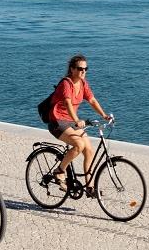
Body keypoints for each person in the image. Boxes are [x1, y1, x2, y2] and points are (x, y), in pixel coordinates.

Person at [47, 54, 112, 196]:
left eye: (86, 68)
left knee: (88, 150)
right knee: (79, 145)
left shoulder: (83, 83)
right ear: (72, 69)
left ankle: (89, 186)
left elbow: (92, 100)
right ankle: (59, 170)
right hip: (57, 121)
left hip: (70, 121)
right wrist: (77, 120)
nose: (83, 71)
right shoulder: (66, 83)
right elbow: (68, 103)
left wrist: (104, 115)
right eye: (80, 68)